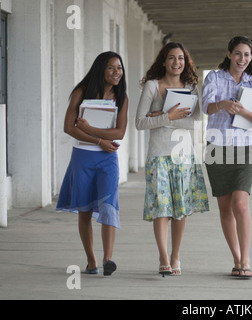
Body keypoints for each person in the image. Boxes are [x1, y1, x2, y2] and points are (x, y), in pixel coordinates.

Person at [136, 42, 209, 276]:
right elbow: (139, 123)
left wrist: (162, 117)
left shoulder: (190, 88)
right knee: (162, 208)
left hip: (184, 156)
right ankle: (163, 256)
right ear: (163, 61)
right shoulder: (151, 86)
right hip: (158, 155)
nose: (176, 62)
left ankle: (176, 255)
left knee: (181, 209)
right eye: (171, 58)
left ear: (185, 62)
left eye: (181, 58)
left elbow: (194, 122)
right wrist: (169, 115)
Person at [202, 36, 252, 279]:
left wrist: (244, 111)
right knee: (224, 209)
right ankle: (236, 259)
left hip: (244, 148)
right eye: (238, 53)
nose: (242, 59)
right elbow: (206, 108)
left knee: (240, 204)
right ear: (229, 54)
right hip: (216, 147)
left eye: (247, 55)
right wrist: (222, 104)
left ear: (251, 57)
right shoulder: (214, 77)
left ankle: (246, 258)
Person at [57, 51, 129, 276]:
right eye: (111, 68)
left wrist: (88, 129)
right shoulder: (82, 91)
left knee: (109, 206)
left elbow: (120, 132)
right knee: (85, 210)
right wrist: (99, 139)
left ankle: (108, 258)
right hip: (83, 158)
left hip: (108, 158)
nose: (117, 72)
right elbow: (69, 127)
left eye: (119, 68)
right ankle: (91, 260)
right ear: (101, 69)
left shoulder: (122, 97)